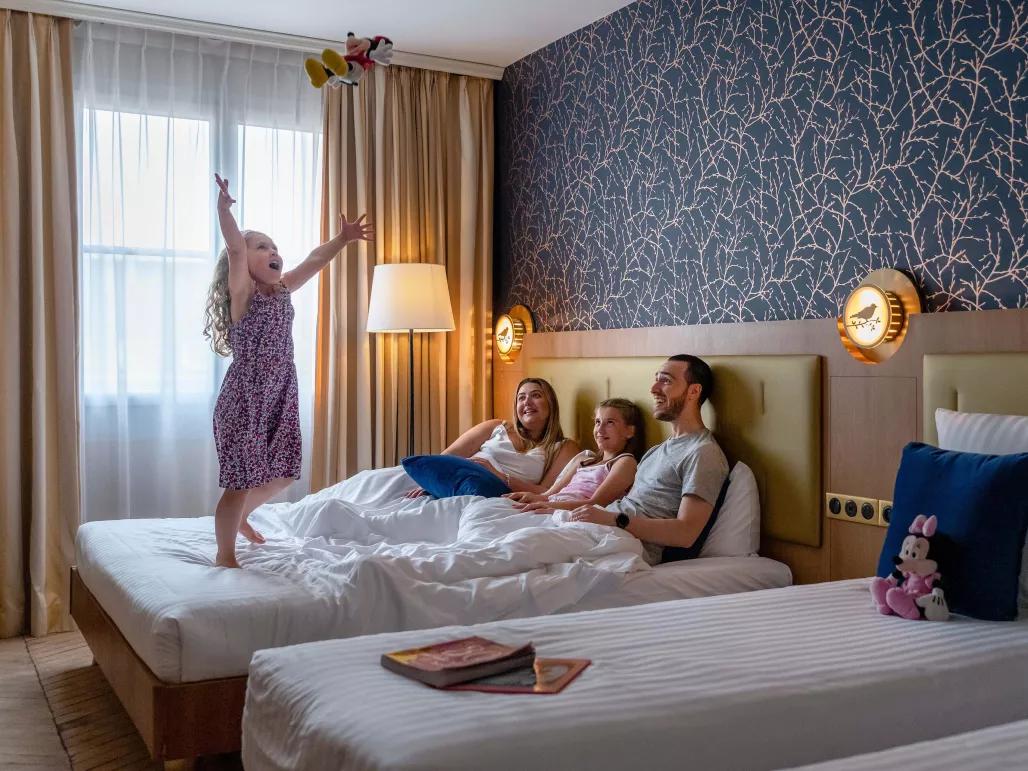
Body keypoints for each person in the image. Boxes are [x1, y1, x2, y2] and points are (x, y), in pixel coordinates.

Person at [206, 173, 374, 568]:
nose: (272, 250)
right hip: (246, 399)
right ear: (245, 262)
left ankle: (244, 516)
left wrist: (343, 239)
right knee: (240, 481)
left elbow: (315, 261)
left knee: (283, 473)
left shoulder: (283, 290)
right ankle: (224, 554)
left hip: (280, 392)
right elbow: (233, 248)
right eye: (261, 246)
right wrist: (223, 211)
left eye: (274, 245)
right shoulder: (243, 293)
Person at [568, 355, 729, 565]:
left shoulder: (703, 453)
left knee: (523, 550)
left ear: (693, 391)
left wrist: (614, 520)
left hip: (624, 544)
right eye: (656, 379)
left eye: (666, 381)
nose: (654, 388)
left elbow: (686, 533)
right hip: (601, 530)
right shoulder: (657, 450)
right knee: (520, 540)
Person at [404, 377, 581, 499]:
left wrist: (498, 475)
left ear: (551, 404)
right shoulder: (496, 426)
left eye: (536, 395)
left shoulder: (563, 447)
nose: (527, 402)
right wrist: (431, 481)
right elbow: (450, 455)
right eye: (521, 398)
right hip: (459, 479)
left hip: (490, 489)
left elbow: (546, 492)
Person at [505, 397, 643, 513]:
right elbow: (549, 495)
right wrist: (530, 497)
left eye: (610, 423)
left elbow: (595, 503)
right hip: (554, 505)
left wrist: (549, 506)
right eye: (597, 422)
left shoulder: (625, 462)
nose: (600, 429)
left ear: (629, 431)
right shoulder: (584, 460)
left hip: (573, 513)